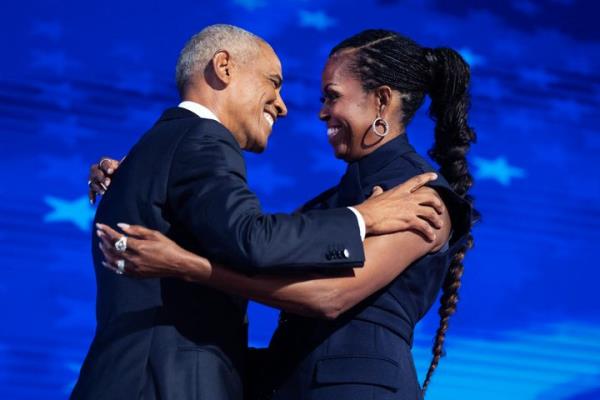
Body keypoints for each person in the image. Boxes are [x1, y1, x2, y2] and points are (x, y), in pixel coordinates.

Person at [93, 29, 477, 399]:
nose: (321, 113)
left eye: (332, 97)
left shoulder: (419, 197)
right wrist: (147, 176)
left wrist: (189, 266)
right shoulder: (331, 206)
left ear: (381, 101)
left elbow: (331, 297)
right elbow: (252, 244)